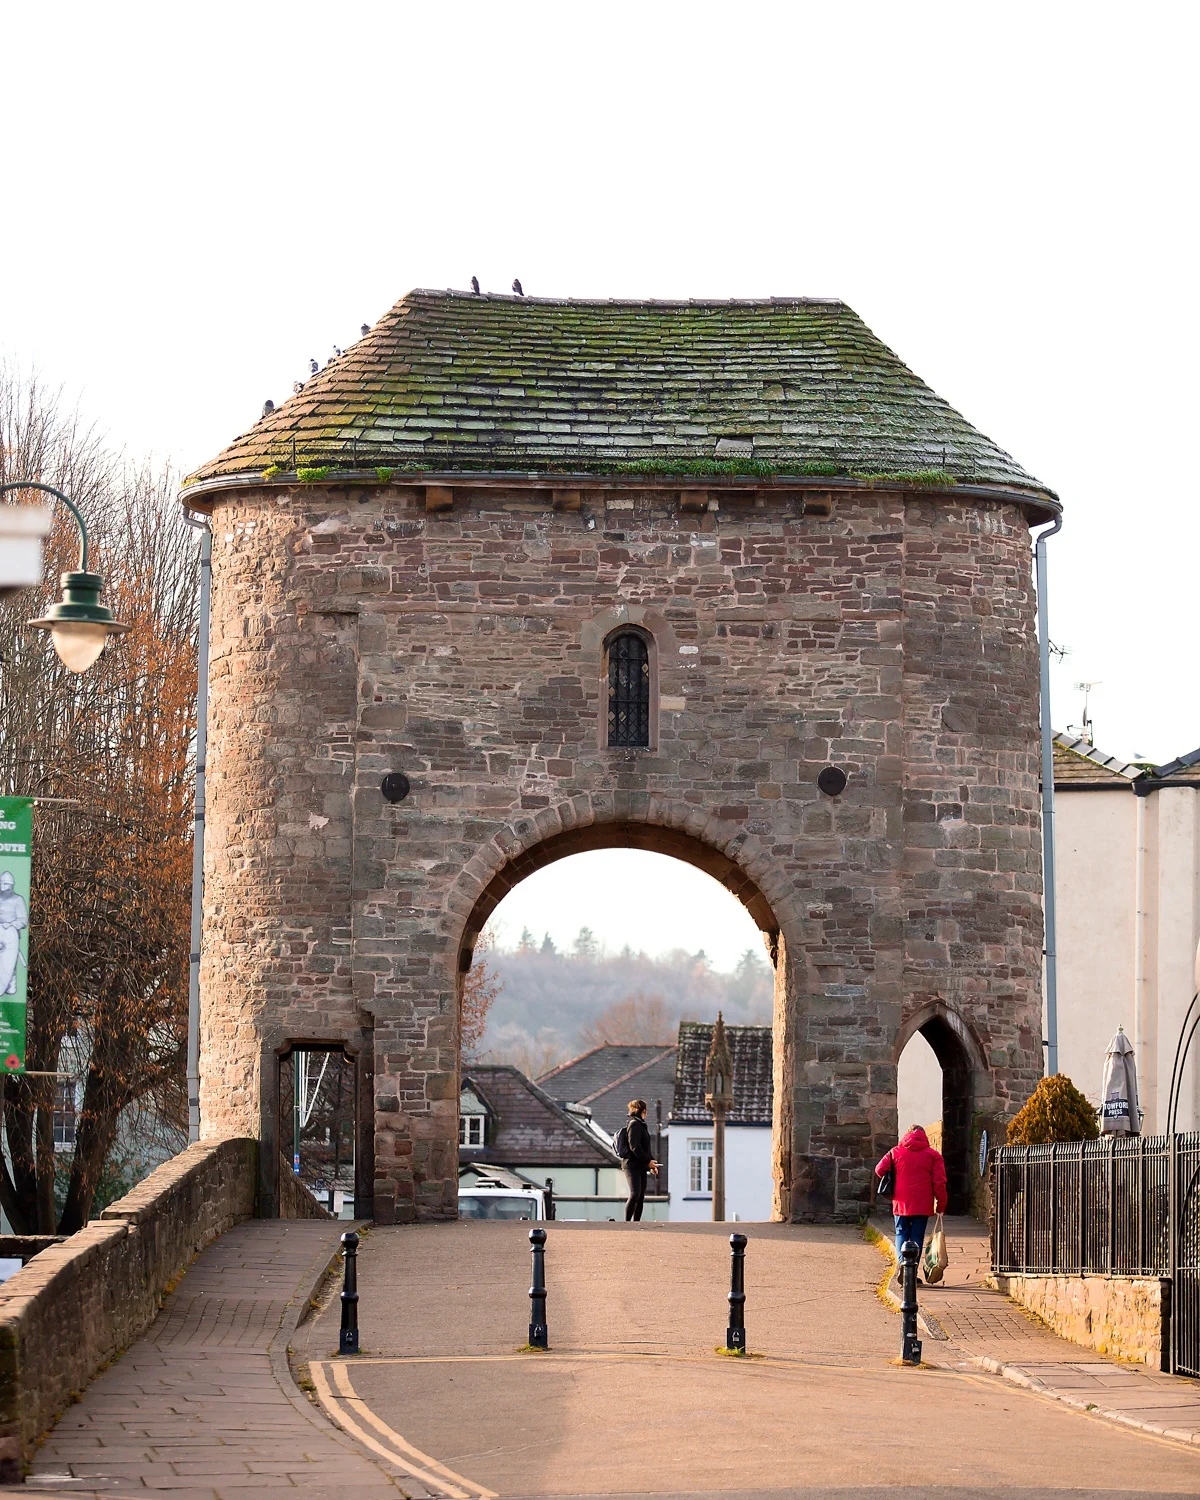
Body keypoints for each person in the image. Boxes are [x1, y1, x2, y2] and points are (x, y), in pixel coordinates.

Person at [876, 1124, 947, 1282]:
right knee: (916, 1237)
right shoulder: (933, 1155)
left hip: (900, 1201)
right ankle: (912, 1271)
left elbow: (879, 1169)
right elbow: (939, 1183)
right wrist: (941, 1205)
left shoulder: (895, 1152)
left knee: (901, 1233)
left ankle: (903, 1263)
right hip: (922, 1203)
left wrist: (893, 1175)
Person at [622, 1098, 659, 1222]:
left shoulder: (641, 1125)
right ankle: (627, 1222)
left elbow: (645, 1149)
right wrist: (648, 1162)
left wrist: (651, 1164)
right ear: (643, 1111)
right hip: (631, 1165)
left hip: (641, 1165)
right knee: (635, 1193)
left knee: (641, 1196)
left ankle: (636, 1222)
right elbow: (635, 1147)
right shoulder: (634, 1124)